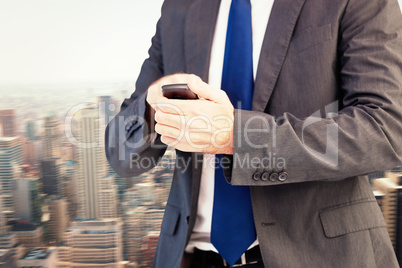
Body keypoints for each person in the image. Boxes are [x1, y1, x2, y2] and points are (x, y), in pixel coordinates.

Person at [105, 0, 402, 267]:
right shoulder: (179, 7)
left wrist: (237, 136)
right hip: (188, 256)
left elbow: (385, 127)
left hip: (320, 255)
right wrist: (149, 105)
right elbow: (120, 153)